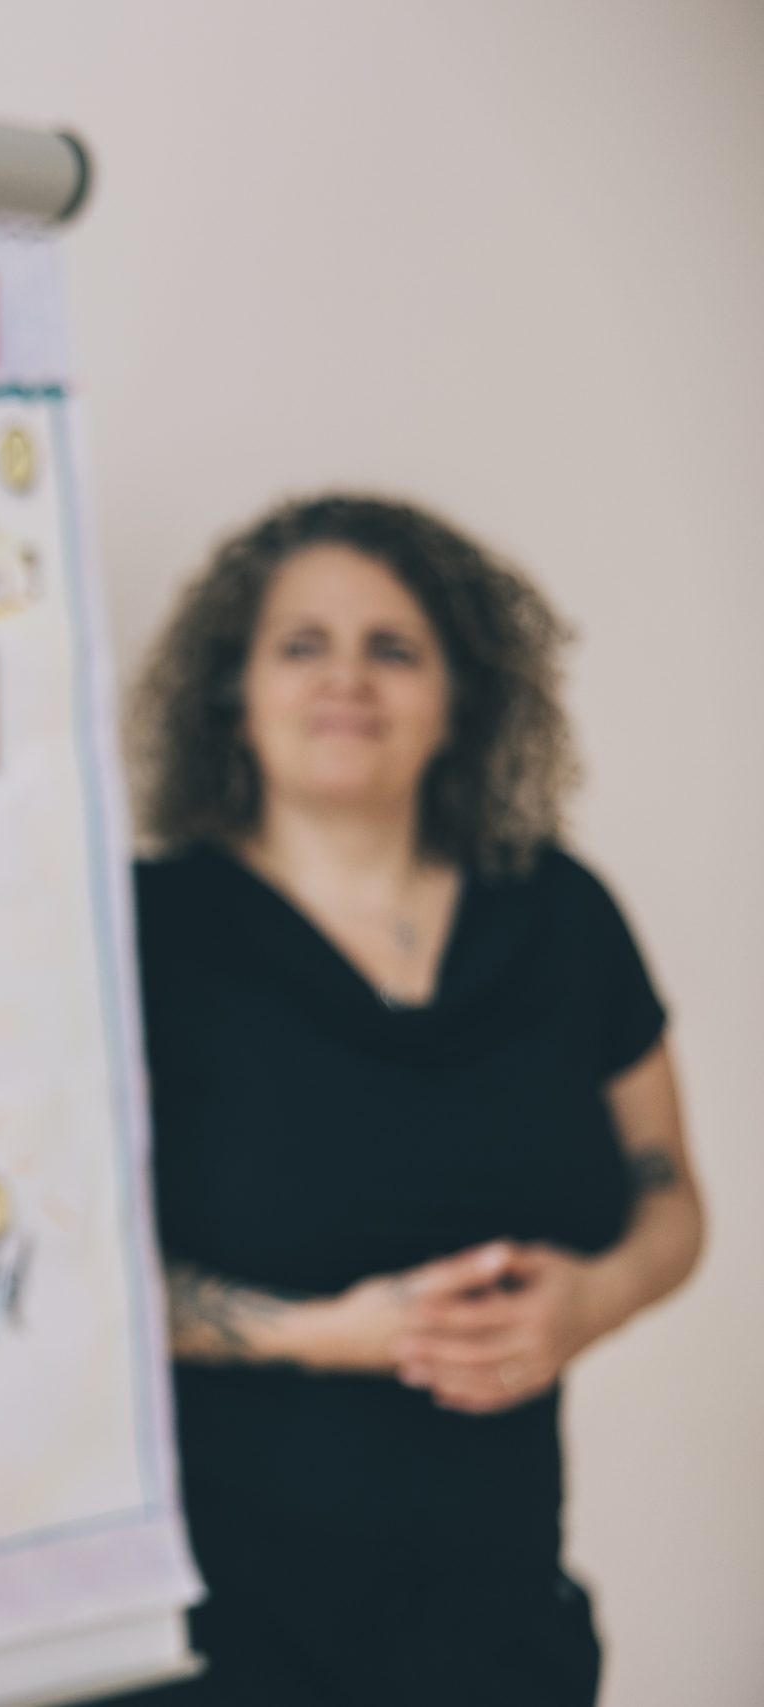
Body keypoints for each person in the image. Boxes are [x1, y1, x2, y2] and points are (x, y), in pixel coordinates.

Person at [111, 495, 704, 1705]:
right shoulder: (139, 932)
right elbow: (52, 1292)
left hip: (496, 1627)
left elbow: (670, 1191)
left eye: (394, 647)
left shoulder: (560, 916)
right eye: (300, 644)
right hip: (210, 1636)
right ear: (233, 692)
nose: (348, 679)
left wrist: (596, 1294)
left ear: (461, 700)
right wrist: (330, 1337)